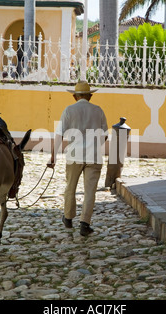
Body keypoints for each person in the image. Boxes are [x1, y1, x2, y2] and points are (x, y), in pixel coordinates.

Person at [47, 81, 108, 236]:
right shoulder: (98, 110)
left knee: (70, 187)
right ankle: (85, 223)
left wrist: (53, 156)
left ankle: (68, 217)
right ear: (90, 96)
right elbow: (105, 135)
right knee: (90, 191)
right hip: (93, 156)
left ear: (74, 96)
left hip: (74, 155)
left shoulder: (69, 110)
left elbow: (59, 134)